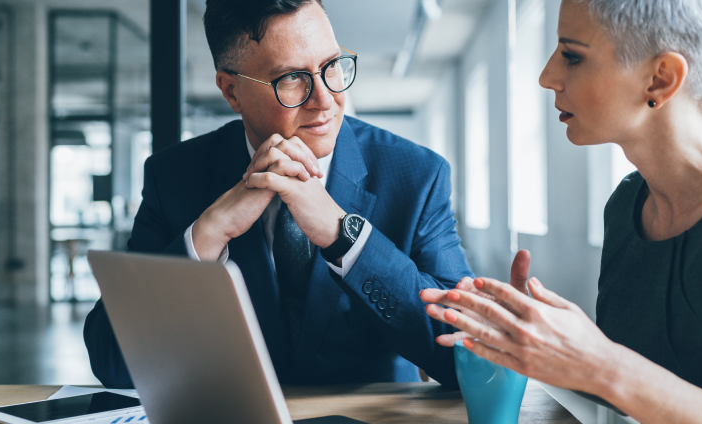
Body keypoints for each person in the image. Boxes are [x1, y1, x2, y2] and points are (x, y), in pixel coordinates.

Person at [421, 0, 702, 422]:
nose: (547, 75)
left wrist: (600, 364)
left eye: (572, 56)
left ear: (660, 79)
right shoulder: (629, 203)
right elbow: (635, 399)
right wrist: (531, 340)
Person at [85, 0, 472, 389]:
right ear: (231, 91)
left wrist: (346, 238)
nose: (325, 99)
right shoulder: (173, 178)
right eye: (291, 78)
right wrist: (208, 234)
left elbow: (465, 357)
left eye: (331, 66)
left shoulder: (417, 176)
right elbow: (112, 361)